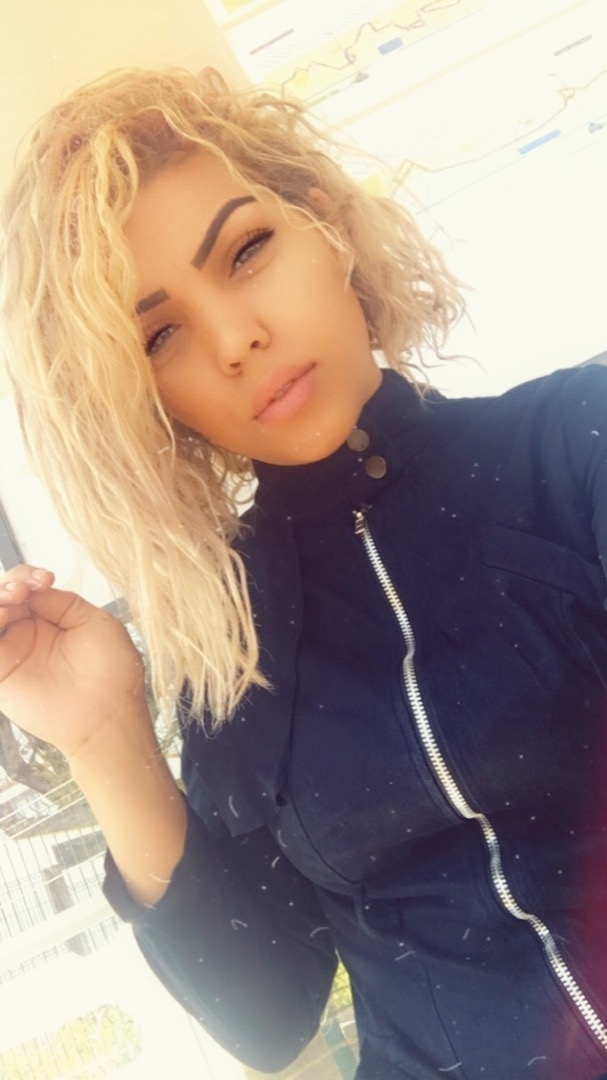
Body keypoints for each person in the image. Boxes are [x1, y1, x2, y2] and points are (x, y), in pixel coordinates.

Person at [0, 67, 606, 1080]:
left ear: (326, 227)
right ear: (145, 401)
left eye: (246, 251)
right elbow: (268, 1013)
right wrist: (102, 736)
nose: (235, 339)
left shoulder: (576, 446)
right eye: (161, 334)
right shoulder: (231, 649)